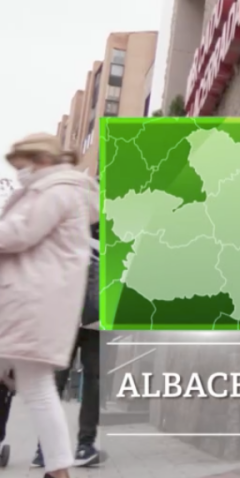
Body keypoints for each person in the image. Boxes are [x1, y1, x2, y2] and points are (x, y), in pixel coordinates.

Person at [0, 133, 97, 478]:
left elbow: (19, 233)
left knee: (39, 390)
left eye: (22, 167)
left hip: (32, 303)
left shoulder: (56, 191)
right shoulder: (60, 189)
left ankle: (59, 471)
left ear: (40, 160)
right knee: (38, 390)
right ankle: (58, 470)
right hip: (33, 302)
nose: (19, 174)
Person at [32, 214, 103, 469]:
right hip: (63, 317)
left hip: (97, 319)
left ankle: (85, 444)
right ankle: (46, 448)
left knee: (94, 382)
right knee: (55, 383)